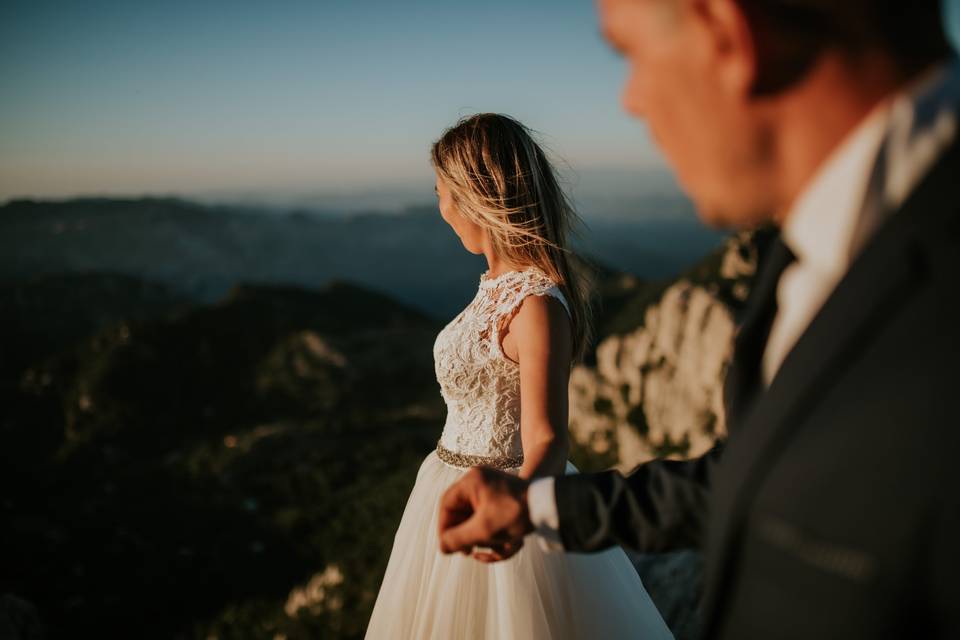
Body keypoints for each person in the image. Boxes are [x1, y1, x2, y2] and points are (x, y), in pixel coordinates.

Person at [438, 1, 960, 638]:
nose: (630, 101)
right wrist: (537, 505)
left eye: (630, 55)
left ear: (730, 34)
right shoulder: (810, 251)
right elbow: (746, 478)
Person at [363, 113, 673, 639]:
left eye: (441, 192)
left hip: (501, 493)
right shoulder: (496, 287)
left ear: (472, 195)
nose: (439, 209)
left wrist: (518, 511)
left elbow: (548, 437)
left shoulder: (535, 304)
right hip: (445, 487)